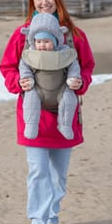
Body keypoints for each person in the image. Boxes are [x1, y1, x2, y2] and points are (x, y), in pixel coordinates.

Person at [0, 0, 95, 224]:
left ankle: (53, 217)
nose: (44, 2)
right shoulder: (22, 35)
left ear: (58, 0)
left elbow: (87, 67)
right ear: (32, 2)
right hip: (34, 118)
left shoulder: (75, 36)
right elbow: (7, 67)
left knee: (58, 176)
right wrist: (18, 83)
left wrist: (81, 83)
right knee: (38, 171)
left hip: (66, 115)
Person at [18, 12, 81, 140]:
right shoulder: (30, 54)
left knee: (69, 100)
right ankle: (31, 125)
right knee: (30, 100)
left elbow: (74, 65)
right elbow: (23, 66)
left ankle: (65, 124)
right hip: (38, 89)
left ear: (56, 40)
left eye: (47, 41)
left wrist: (73, 78)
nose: (42, 45)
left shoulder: (64, 53)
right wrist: (26, 78)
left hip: (60, 88)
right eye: (39, 41)